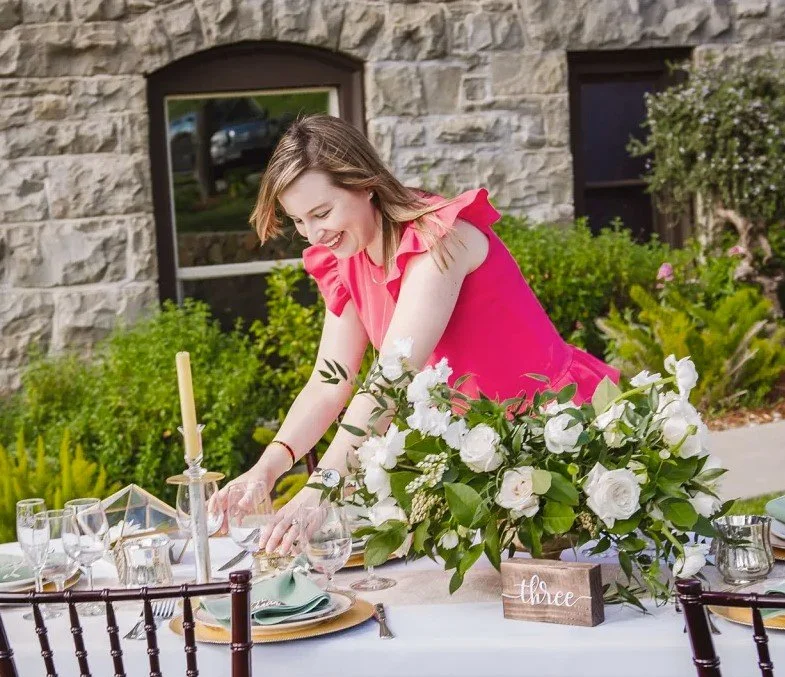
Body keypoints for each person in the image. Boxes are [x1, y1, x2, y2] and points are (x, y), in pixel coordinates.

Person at [214, 114, 618, 554]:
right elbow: (329, 384)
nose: (314, 234)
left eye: (322, 212)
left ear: (365, 183)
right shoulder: (343, 256)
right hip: (480, 457)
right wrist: (266, 469)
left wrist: (321, 489)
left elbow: (391, 378)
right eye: (298, 221)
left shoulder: (438, 240)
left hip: (557, 434)